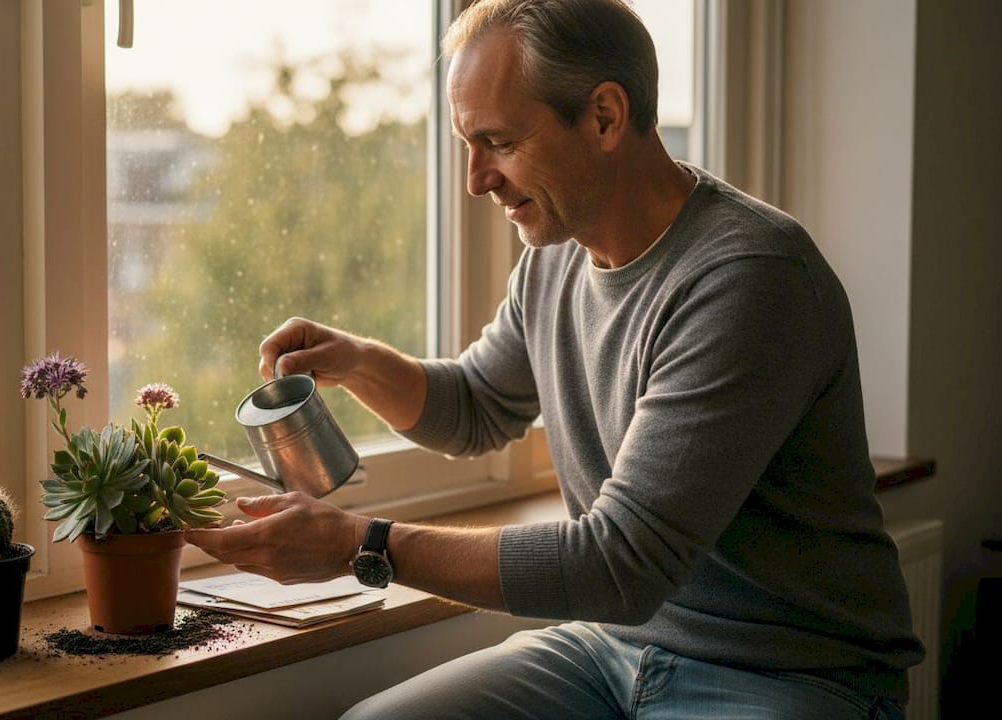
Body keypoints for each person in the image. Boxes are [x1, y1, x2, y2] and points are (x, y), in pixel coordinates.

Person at [185, 0, 926, 717]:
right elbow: (476, 407)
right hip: (612, 651)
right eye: (466, 144)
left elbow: (619, 564)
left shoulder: (749, 278)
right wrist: (357, 362)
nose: (476, 180)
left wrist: (361, 543)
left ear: (605, 116)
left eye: (501, 143)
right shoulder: (557, 258)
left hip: (788, 674)